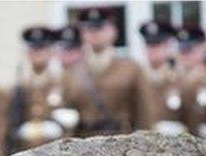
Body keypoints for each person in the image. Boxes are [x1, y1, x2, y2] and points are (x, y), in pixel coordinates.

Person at [63, 7, 152, 137]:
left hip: (122, 143)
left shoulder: (132, 68)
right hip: (83, 146)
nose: (95, 33)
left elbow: (145, 113)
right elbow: (66, 115)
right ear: (82, 34)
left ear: (114, 31)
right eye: (89, 29)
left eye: (100, 28)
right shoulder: (72, 72)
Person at [7, 26, 78, 152]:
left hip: (57, 150)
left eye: (42, 48)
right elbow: (10, 124)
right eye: (33, 49)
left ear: (51, 52)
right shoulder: (19, 86)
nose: (38, 53)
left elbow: (74, 122)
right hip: (24, 151)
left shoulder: (65, 82)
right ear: (26, 53)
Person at [139, 20, 186, 135]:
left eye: (157, 45)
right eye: (149, 45)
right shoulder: (137, 79)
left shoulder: (182, 79)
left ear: (168, 47)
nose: (152, 50)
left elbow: (192, 119)